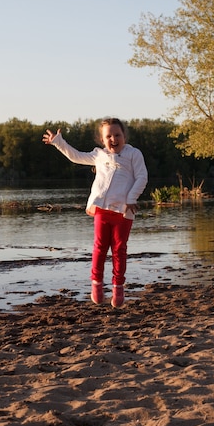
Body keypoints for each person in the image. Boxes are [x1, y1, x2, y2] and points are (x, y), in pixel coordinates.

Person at [43, 118, 148, 308]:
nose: (113, 139)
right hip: (101, 208)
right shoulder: (99, 155)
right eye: (109, 136)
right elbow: (76, 156)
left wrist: (131, 198)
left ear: (124, 136)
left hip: (123, 211)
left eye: (117, 135)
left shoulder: (134, 154)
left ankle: (118, 287)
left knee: (119, 249)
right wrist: (59, 142)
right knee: (99, 247)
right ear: (102, 139)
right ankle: (97, 284)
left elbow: (142, 177)